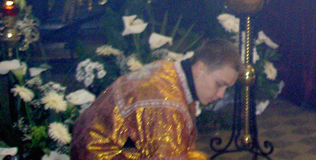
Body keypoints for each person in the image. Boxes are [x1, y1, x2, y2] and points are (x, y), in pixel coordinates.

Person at [71, 38, 241, 160]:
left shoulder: (170, 70)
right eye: (219, 84)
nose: (221, 95)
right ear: (200, 68)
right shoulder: (167, 105)